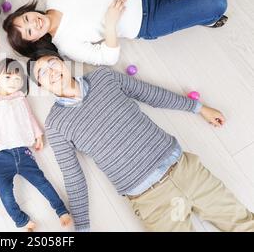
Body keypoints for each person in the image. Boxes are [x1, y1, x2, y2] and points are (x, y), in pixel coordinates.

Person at [28, 51, 254, 232]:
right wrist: (83, 228)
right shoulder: (56, 125)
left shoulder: (104, 77)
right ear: (41, 86)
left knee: (245, 225)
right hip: (152, 201)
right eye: (42, 73)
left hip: (186, 171)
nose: (51, 72)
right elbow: (73, 176)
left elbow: (151, 94)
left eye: (52, 63)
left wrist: (198, 108)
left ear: (64, 63)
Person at [4, 0, 228, 66]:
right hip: (149, 21)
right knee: (217, 4)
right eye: (29, 31)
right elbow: (107, 58)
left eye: (26, 19)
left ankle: (196, 3)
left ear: (28, 11)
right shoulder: (66, 45)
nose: (33, 23)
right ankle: (205, 16)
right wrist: (111, 25)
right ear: (35, 41)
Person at [0, 58, 72, 231]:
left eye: (17, 79)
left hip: (22, 151)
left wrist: (38, 134)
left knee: (42, 182)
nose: (13, 83)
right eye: (8, 77)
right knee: (4, 191)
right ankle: (22, 220)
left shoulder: (20, 97)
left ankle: (61, 210)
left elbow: (29, 116)